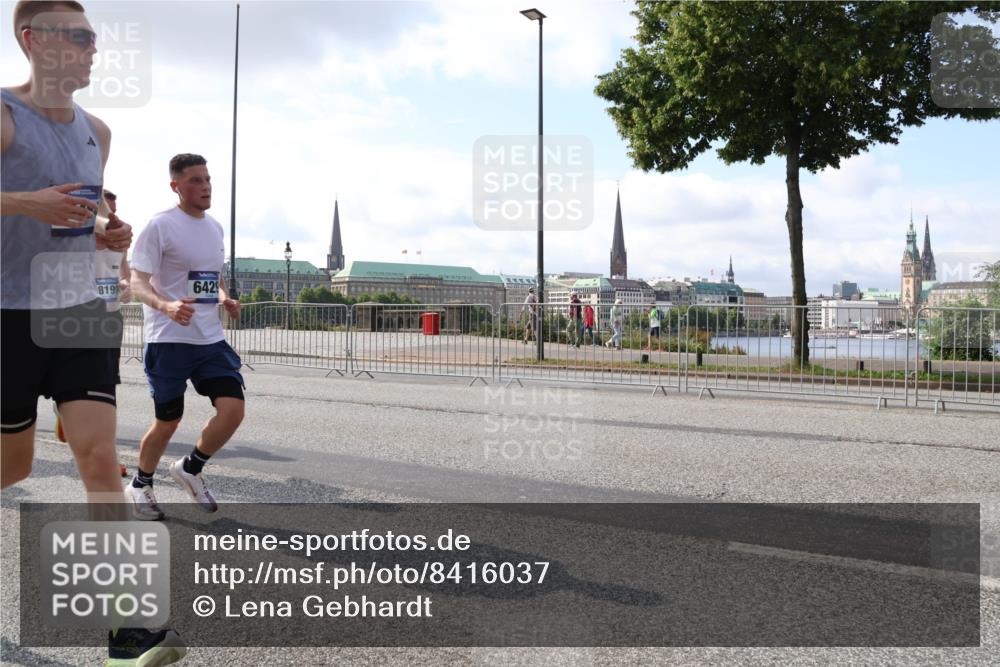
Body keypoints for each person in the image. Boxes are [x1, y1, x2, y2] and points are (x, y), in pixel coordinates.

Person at [1, 3, 185, 665]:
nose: (91, 49)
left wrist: (108, 232)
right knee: (13, 465)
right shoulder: (2, 114)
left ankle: (127, 631)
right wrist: (29, 202)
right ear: (33, 40)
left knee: (99, 459)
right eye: (77, 37)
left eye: (93, 38)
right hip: (7, 317)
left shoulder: (96, 131)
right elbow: (35, 205)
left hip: (78, 310)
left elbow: (92, 218)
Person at [129, 153, 244, 521]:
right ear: (176, 186)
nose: (206, 185)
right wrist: (165, 306)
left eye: (208, 178)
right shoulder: (160, 225)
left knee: (233, 410)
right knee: (168, 421)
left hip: (209, 338)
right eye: (195, 180)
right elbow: (138, 281)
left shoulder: (215, 228)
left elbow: (213, 275)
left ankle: (190, 468)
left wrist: (225, 298)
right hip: (169, 338)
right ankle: (140, 484)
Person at [54, 189, 130, 478]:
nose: (110, 220)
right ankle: (104, 451)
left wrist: (125, 285)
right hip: (78, 321)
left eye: (112, 214)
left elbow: (126, 274)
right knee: (93, 388)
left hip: (110, 322)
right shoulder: (76, 242)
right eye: (105, 213)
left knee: (106, 387)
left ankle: (72, 413)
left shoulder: (118, 245)